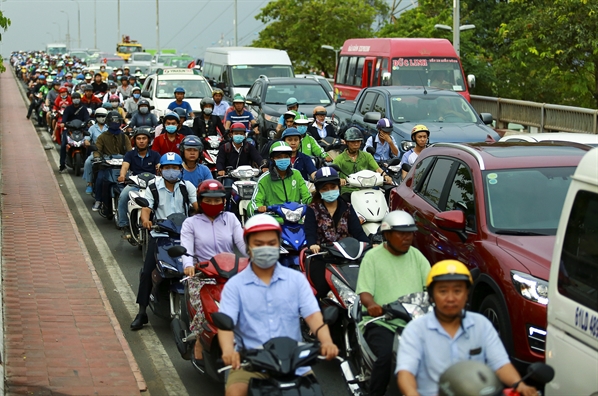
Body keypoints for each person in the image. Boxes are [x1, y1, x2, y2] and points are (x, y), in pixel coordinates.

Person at [217, 213, 338, 396]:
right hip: (251, 363)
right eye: (259, 244)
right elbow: (226, 324)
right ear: (248, 246)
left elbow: (313, 315)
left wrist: (327, 342)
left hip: (294, 362)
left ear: (278, 244)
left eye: (271, 243)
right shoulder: (235, 286)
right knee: (235, 392)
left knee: (314, 392)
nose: (266, 248)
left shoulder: (296, 280)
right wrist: (228, 351)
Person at [396, 260, 538, 396]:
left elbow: (500, 364)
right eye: (443, 291)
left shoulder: (481, 325)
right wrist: (411, 393)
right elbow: (405, 372)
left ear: (466, 294)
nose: (451, 298)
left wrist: (520, 385)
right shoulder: (415, 330)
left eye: (457, 291)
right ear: (432, 296)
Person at [355, 210, 431, 396]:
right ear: (387, 235)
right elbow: (364, 292)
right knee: (388, 356)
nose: (407, 238)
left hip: (416, 321)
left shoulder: (417, 256)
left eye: (410, 233)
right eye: (402, 234)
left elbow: (433, 286)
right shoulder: (372, 257)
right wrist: (372, 305)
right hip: (383, 322)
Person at [180, 180, 246, 372]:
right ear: (200, 201)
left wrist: (257, 259)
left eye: (218, 200)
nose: (214, 203)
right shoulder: (190, 223)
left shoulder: (231, 219)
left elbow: (243, 245)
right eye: (209, 200)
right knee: (204, 309)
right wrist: (188, 266)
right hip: (202, 275)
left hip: (232, 273)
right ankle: (200, 339)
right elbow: (186, 249)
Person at [130, 152, 198, 331]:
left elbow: (197, 207)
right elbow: (146, 208)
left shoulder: (188, 187)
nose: (171, 171)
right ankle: (142, 312)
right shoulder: (153, 187)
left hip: (185, 235)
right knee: (146, 272)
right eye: (167, 168)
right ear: (160, 169)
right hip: (161, 235)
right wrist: (146, 220)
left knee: (201, 269)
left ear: (180, 169)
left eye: (175, 167)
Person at [304, 167, 369, 298]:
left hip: (348, 255)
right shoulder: (312, 209)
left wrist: (368, 245)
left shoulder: (348, 207)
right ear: (319, 190)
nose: (330, 191)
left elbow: (358, 232)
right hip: (323, 256)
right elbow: (309, 232)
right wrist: (312, 245)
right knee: (322, 290)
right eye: (325, 188)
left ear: (338, 187)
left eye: (333, 187)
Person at [116, 129, 162, 237]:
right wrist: (122, 175)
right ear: (135, 141)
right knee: (123, 196)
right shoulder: (130, 154)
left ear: (148, 141)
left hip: (152, 185)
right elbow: (125, 166)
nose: (141, 141)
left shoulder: (155, 155)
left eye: (144, 138)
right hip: (135, 184)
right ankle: (124, 225)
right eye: (139, 139)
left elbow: (160, 166)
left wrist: (161, 169)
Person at [248, 142, 312, 217]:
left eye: (286, 156)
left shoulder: (296, 174)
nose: (283, 159)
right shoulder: (264, 179)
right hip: (274, 220)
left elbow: (306, 197)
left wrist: (315, 200)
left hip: (296, 218)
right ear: (272, 159)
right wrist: (259, 208)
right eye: (279, 157)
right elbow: (255, 202)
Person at [332, 127, 393, 198]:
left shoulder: (367, 156)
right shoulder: (339, 159)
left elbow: (378, 169)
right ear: (346, 142)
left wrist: (386, 176)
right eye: (353, 142)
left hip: (367, 189)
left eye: (358, 141)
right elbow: (333, 175)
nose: (356, 144)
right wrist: (339, 180)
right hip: (348, 191)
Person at [92, 110, 132, 212]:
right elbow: (97, 150)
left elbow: (129, 151)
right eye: (113, 121)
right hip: (107, 165)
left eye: (117, 121)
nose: (115, 123)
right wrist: (97, 157)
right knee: (100, 179)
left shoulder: (124, 137)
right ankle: (98, 200)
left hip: (122, 165)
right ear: (108, 122)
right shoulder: (102, 137)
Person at [59, 92, 90, 173]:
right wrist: (63, 123)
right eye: (74, 98)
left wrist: (88, 122)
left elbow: (87, 118)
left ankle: (90, 164)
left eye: (78, 98)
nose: (76, 100)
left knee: (89, 144)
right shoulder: (68, 109)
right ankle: (62, 164)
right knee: (63, 145)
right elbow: (64, 119)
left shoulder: (83, 109)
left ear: (80, 99)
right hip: (70, 130)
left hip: (81, 130)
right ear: (72, 99)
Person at [82, 107, 109, 194]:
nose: (102, 118)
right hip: (96, 152)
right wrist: (87, 142)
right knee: (88, 162)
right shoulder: (92, 128)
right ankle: (89, 184)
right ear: (96, 117)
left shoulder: (109, 127)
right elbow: (87, 139)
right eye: (100, 116)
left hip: (108, 152)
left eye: (104, 116)